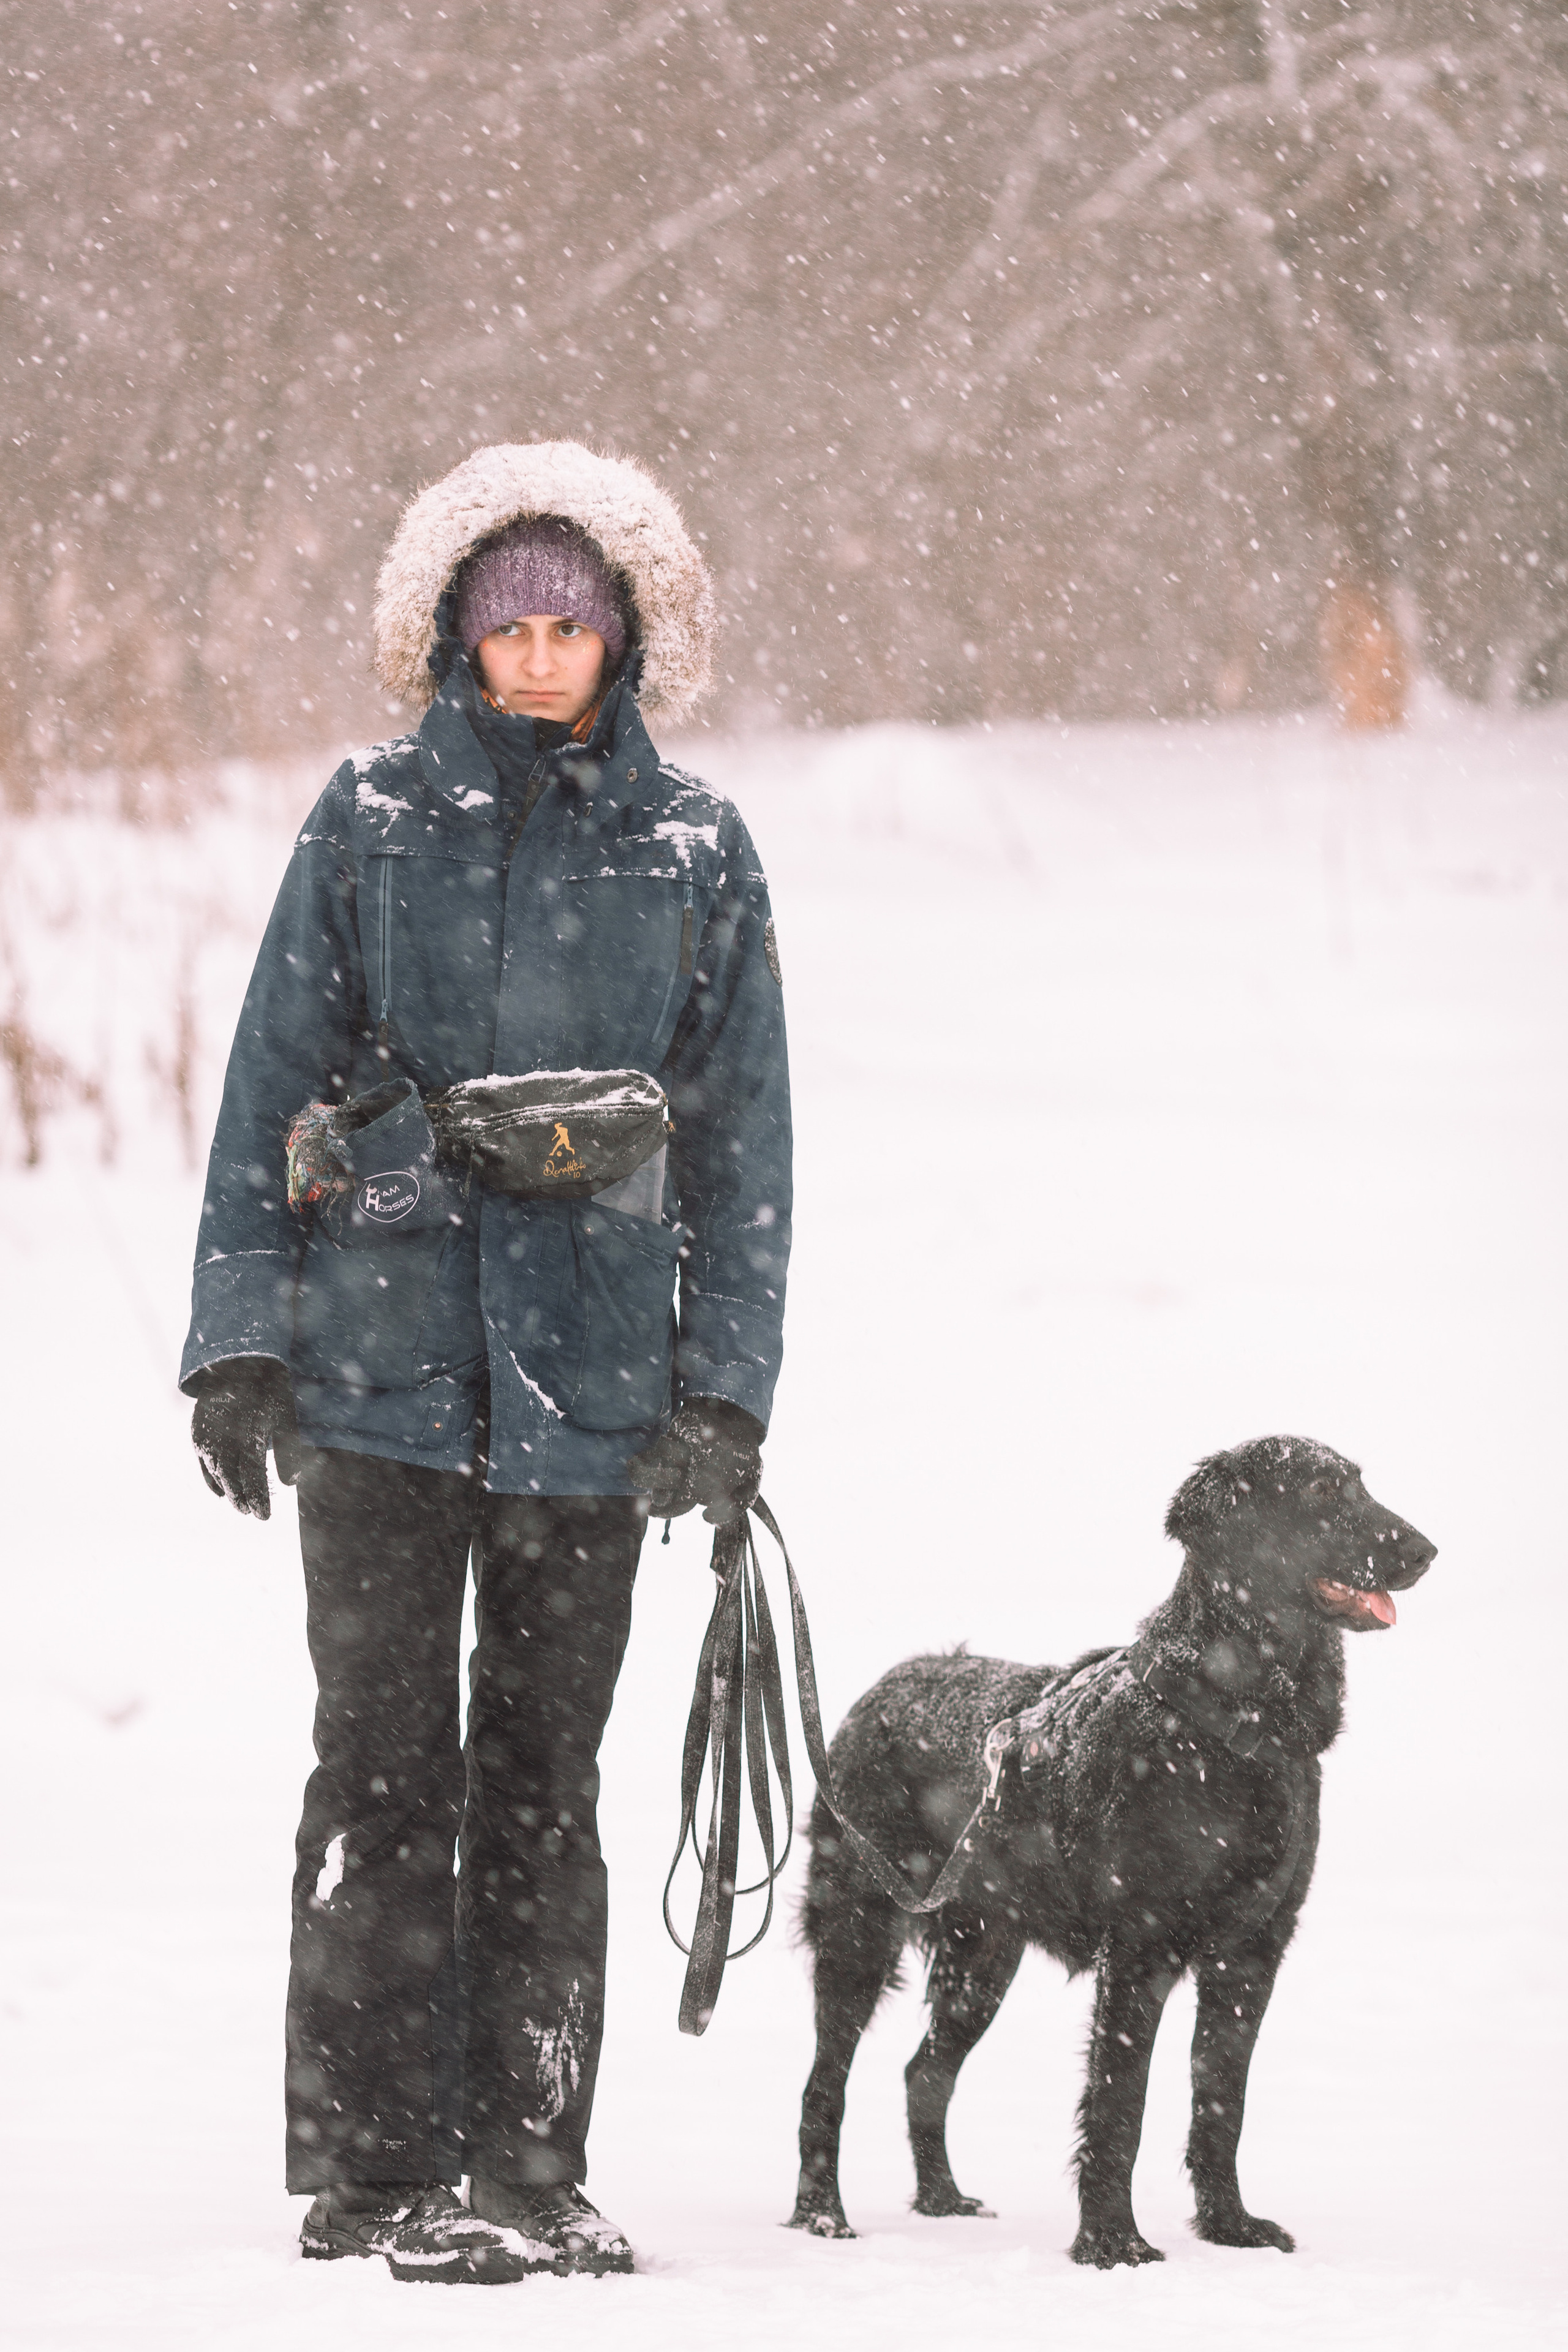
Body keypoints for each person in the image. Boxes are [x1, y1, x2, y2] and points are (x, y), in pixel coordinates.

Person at [179, 441, 791, 2283]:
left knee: (543, 1774)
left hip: (590, 1388)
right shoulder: (367, 819)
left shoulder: (696, 846)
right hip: (374, 1370)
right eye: (506, 624)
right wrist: (238, 1341)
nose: (537, 657)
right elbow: (271, 1080)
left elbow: (741, 1141)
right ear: (452, 628)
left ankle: (526, 2159)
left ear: (627, 640)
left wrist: (724, 1391)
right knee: (381, 1767)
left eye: (570, 628)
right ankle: (375, 2166)